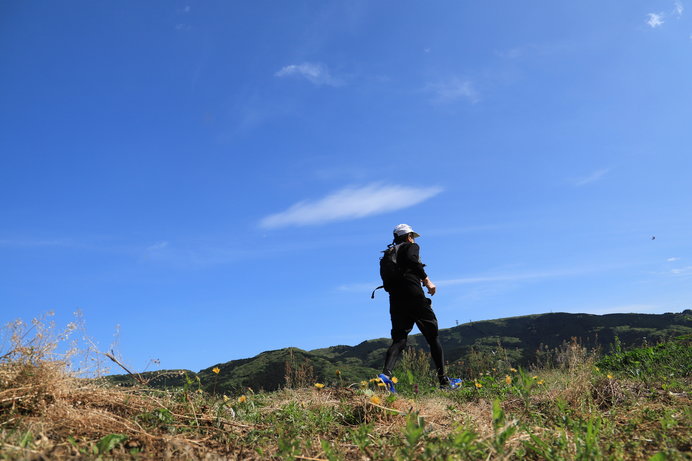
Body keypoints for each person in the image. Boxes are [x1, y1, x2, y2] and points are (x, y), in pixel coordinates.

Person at [378, 224, 455, 390]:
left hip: (396, 299)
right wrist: (427, 280)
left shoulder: (388, 254)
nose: (413, 239)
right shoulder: (411, 246)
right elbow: (413, 261)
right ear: (408, 236)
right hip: (414, 295)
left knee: (399, 339)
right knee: (432, 337)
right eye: (412, 236)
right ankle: (444, 382)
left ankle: (385, 375)